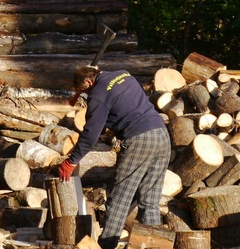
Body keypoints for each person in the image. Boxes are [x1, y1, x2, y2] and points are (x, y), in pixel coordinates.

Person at [57, 65, 171, 249]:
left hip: (139, 139)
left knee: (119, 201)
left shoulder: (98, 95)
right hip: (162, 134)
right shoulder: (123, 74)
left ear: (88, 81)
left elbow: (90, 135)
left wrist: (72, 161)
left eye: (85, 91)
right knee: (149, 201)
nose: (86, 95)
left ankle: (106, 246)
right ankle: (154, 246)